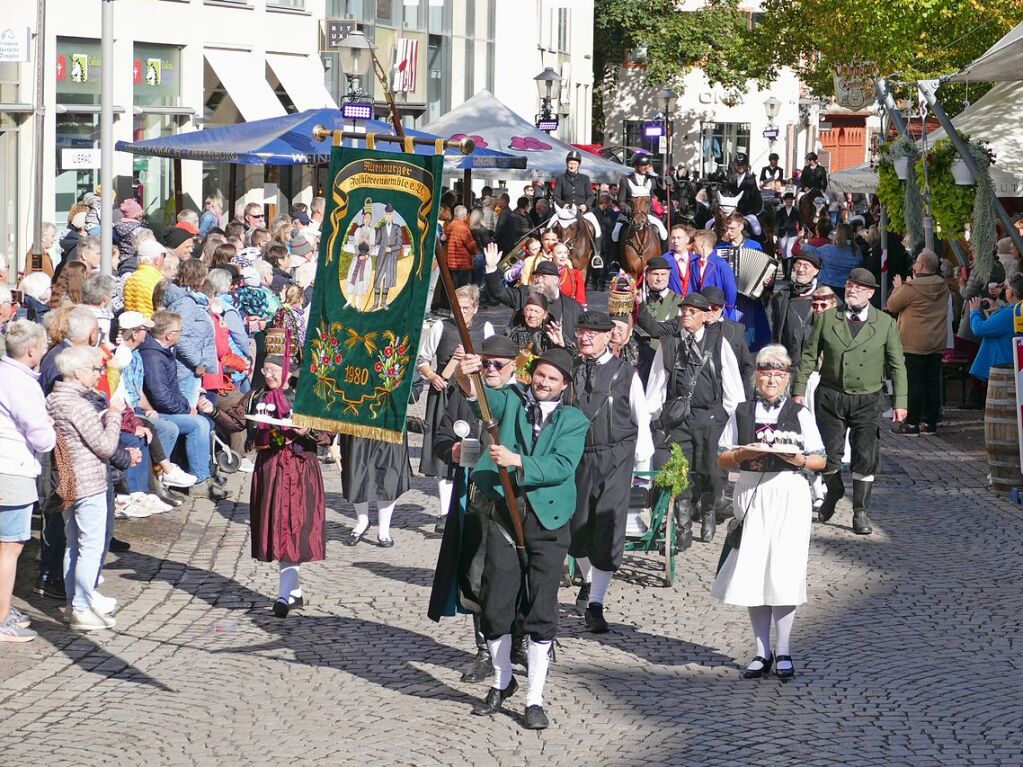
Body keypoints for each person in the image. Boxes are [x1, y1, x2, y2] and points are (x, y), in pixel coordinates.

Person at [456, 347, 589, 730]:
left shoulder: (574, 419)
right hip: (505, 518)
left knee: (540, 611)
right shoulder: (513, 400)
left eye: (552, 379)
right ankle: (502, 681)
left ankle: (534, 699)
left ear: (564, 384)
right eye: (540, 375)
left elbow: (563, 465)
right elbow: (480, 397)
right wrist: (468, 374)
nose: (544, 383)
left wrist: (518, 461)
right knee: (495, 607)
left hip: (548, 521)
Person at [714, 345, 827, 680]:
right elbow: (722, 455)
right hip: (751, 491)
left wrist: (800, 460)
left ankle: (785, 650)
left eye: (778, 375)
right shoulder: (742, 411)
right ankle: (761, 650)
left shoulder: (800, 414)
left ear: (787, 378)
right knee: (754, 571)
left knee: (784, 572)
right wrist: (741, 454)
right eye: (766, 375)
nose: (771, 380)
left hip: (789, 492)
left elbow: (820, 459)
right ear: (756, 378)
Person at [199, 355, 329, 617]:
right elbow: (237, 423)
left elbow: (328, 433)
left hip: (300, 466)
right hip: (269, 468)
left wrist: (309, 432)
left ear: (287, 371)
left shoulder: (306, 395)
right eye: (265, 370)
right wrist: (211, 411)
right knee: (278, 527)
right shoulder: (256, 395)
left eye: (273, 370)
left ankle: (284, 596)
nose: (268, 375)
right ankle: (293, 592)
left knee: (293, 529)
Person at [428, 334, 520, 683]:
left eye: (498, 365)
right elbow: (440, 437)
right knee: (475, 574)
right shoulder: (462, 396)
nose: (491, 370)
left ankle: (519, 641)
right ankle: (485, 649)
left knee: (514, 573)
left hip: (513, 499)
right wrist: (450, 451)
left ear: (513, 366)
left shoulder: (523, 396)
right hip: (473, 497)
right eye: (485, 364)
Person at [793, 268, 907, 534]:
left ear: (870, 293)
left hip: (867, 398)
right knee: (829, 454)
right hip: (831, 395)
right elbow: (809, 355)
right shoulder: (827, 318)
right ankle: (834, 490)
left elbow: (897, 365)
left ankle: (860, 512)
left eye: (858, 287)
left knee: (866, 455)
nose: (852, 290)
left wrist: (900, 401)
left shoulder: (885, 323)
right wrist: (798, 388)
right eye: (849, 284)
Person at [568, 312, 653, 633]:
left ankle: (596, 604)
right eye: (581, 331)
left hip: (616, 458)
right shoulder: (571, 370)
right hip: (577, 457)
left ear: (608, 337)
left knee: (606, 527)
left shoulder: (625, 373)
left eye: (592, 333)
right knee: (575, 529)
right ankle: (588, 581)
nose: (585, 337)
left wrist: (643, 471)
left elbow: (641, 419)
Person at [640, 292, 746, 547]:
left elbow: (733, 386)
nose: (686, 315)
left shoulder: (718, 342)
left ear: (705, 316)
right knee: (680, 470)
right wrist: (652, 419)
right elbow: (657, 383)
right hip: (679, 418)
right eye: (684, 311)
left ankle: (708, 512)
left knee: (710, 470)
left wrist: (724, 417)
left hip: (710, 416)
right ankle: (683, 527)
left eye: (692, 312)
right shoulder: (669, 343)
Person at [47, 345, 124, 632]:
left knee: (73, 544)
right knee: (89, 546)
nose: (99, 373)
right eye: (94, 369)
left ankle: (73, 604)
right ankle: (81, 607)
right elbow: (104, 446)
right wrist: (113, 415)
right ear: (78, 372)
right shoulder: (77, 405)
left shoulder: (53, 399)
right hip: (87, 481)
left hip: (68, 482)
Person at [417, 285, 494, 531]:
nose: (461, 313)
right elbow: (421, 359)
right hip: (444, 394)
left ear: (476, 308)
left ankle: (471, 503)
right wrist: (432, 377)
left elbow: (494, 364)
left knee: (475, 446)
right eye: (457, 308)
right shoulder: (441, 327)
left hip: (473, 395)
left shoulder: (486, 329)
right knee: (446, 449)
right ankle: (444, 512)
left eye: (466, 308)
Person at [0, 321, 55, 642]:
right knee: (10, 548)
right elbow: (43, 437)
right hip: (12, 469)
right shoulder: (19, 382)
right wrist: (47, 425)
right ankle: (2, 617)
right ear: (32, 350)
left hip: (8, 466)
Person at [139, 310, 228, 501]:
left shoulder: (166, 351)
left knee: (202, 421)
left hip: (165, 407)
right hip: (156, 411)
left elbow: (173, 389)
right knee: (198, 424)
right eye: (179, 331)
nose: (181, 334)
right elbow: (160, 396)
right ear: (168, 335)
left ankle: (200, 475)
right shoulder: (153, 356)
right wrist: (186, 410)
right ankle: (196, 481)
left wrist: (188, 406)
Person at [885, 249, 951, 436]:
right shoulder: (943, 286)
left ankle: (912, 423)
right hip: (936, 341)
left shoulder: (911, 288)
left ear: (921, 266)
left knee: (913, 383)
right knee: (932, 382)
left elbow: (891, 305)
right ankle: (930, 423)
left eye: (916, 262)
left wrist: (898, 287)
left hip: (914, 342)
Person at [485, 243, 583, 344]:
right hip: (522, 350)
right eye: (537, 276)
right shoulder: (523, 294)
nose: (539, 281)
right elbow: (499, 293)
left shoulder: (572, 307)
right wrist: (491, 268)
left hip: (555, 354)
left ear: (556, 280)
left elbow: (579, 336)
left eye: (544, 277)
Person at [634, 256, 685, 383]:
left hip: (665, 361)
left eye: (663, 274)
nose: (660, 278)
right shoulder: (634, 297)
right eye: (655, 274)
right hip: (636, 360)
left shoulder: (680, 301)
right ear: (646, 275)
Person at [769, 249, 822, 365]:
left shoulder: (825, 297)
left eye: (806, 266)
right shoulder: (783, 294)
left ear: (816, 271)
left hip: (812, 360)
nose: (800, 269)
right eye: (798, 264)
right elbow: (776, 328)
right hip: (787, 358)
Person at [613, 153, 668, 243]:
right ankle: (614, 257)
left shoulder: (652, 179)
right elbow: (621, 201)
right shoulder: (625, 180)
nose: (646, 167)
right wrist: (631, 211)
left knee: (663, 234)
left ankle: (663, 256)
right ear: (635, 166)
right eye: (643, 165)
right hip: (629, 215)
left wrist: (663, 180)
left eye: (647, 165)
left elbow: (663, 196)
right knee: (615, 234)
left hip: (648, 213)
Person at [801, 223, 860, 301]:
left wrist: (803, 243)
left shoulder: (828, 250)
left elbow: (812, 250)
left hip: (826, 286)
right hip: (845, 288)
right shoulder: (856, 252)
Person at [690, 229, 738, 318]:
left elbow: (731, 290)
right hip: (700, 312)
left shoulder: (721, 264)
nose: (693, 245)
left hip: (717, 312)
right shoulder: (694, 264)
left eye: (695, 241)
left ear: (703, 243)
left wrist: (725, 311)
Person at [123, 240, 168, 318]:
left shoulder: (131, 277)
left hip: (132, 324)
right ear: (156, 260)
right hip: (150, 324)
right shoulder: (157, 280)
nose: (164, 261)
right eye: (163, 256)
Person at [723, 153, 763, 217]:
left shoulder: (751, 180)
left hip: (747, 213)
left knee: (755, 225)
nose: (740, 167)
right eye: (738, 165)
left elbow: (755, 198)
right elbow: (726, 194)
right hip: (731, 212)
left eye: (743, 165)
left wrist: (752, 212)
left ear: (746, 165)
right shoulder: (730, 179)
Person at [663, 225, 695, 297]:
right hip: (672, 303)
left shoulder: (696, 260)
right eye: (673, 238)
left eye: (679, 238)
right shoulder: (664, 260)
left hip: (692, 303)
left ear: (687, 239)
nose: (675, 241)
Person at [552, 242, 586, 308]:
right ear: (551, 254)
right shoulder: (544, 273)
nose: (563, 256)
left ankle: (597, 254)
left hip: (568, 309)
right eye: (559, 253)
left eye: (565, 253)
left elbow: (580, 297)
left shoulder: (575, 274)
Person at [776, 191, 801, 271]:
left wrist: (802, 230)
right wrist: (775, 233)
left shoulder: (796, 210)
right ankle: (785, 272)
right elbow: (777, 222)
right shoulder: (781, 211)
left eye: (791, 200)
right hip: (782, 233)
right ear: (785, 200)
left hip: (792, 233)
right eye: (788, 199)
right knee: (783, 253)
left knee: (789, 251)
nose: (790, 201)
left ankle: (788, 275)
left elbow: (801, 221)